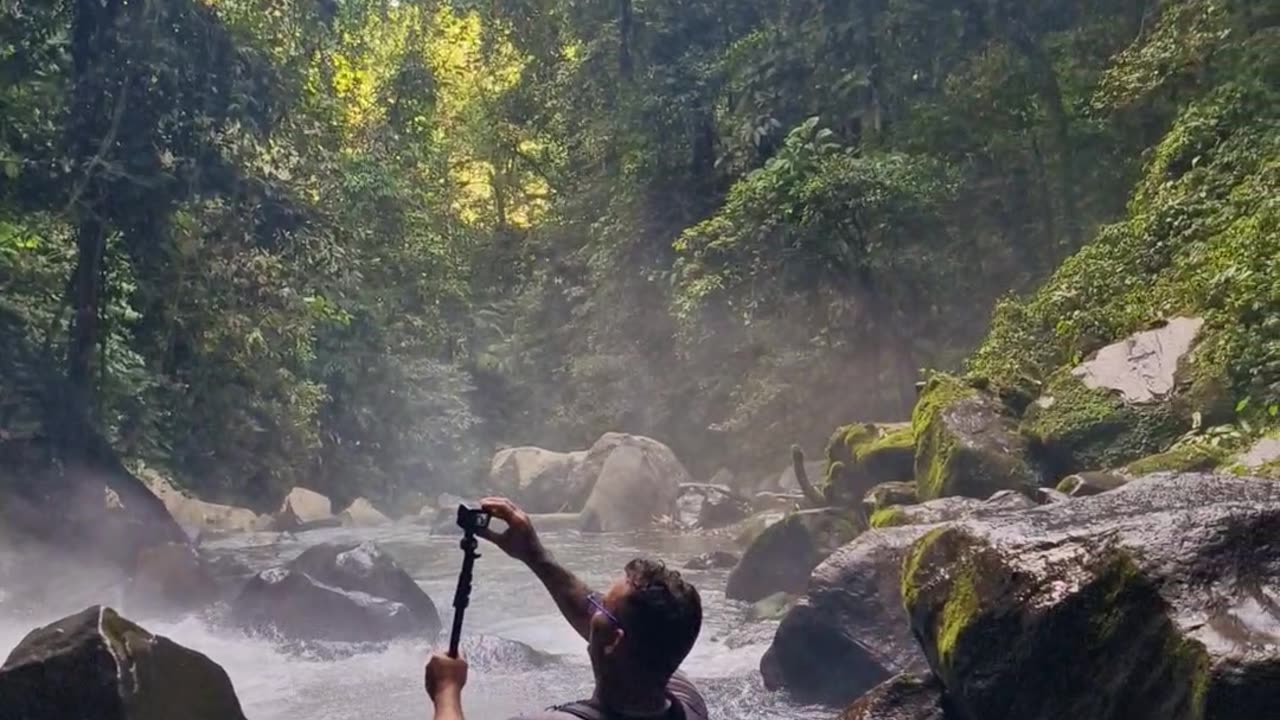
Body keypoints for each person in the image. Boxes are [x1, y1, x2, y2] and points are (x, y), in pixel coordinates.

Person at [423, 497, 709, 720]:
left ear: (613, 641)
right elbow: (613, 625)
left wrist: (446, 692)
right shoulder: (690, 705)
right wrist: (534, 555)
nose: (592, 607)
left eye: (601, 606)